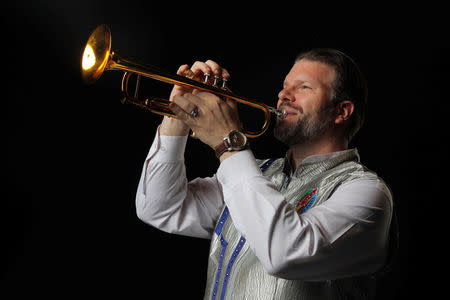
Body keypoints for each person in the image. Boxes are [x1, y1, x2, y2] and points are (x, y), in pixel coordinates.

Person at [135, 48, 394, 299]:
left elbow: (286, 253)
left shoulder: (366, 192)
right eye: (285, 85)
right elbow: (159, 208)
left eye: (304, 87)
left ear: (342, 111)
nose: (283, 94)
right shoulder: (255, 173)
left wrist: (229, 143)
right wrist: (178, 115)